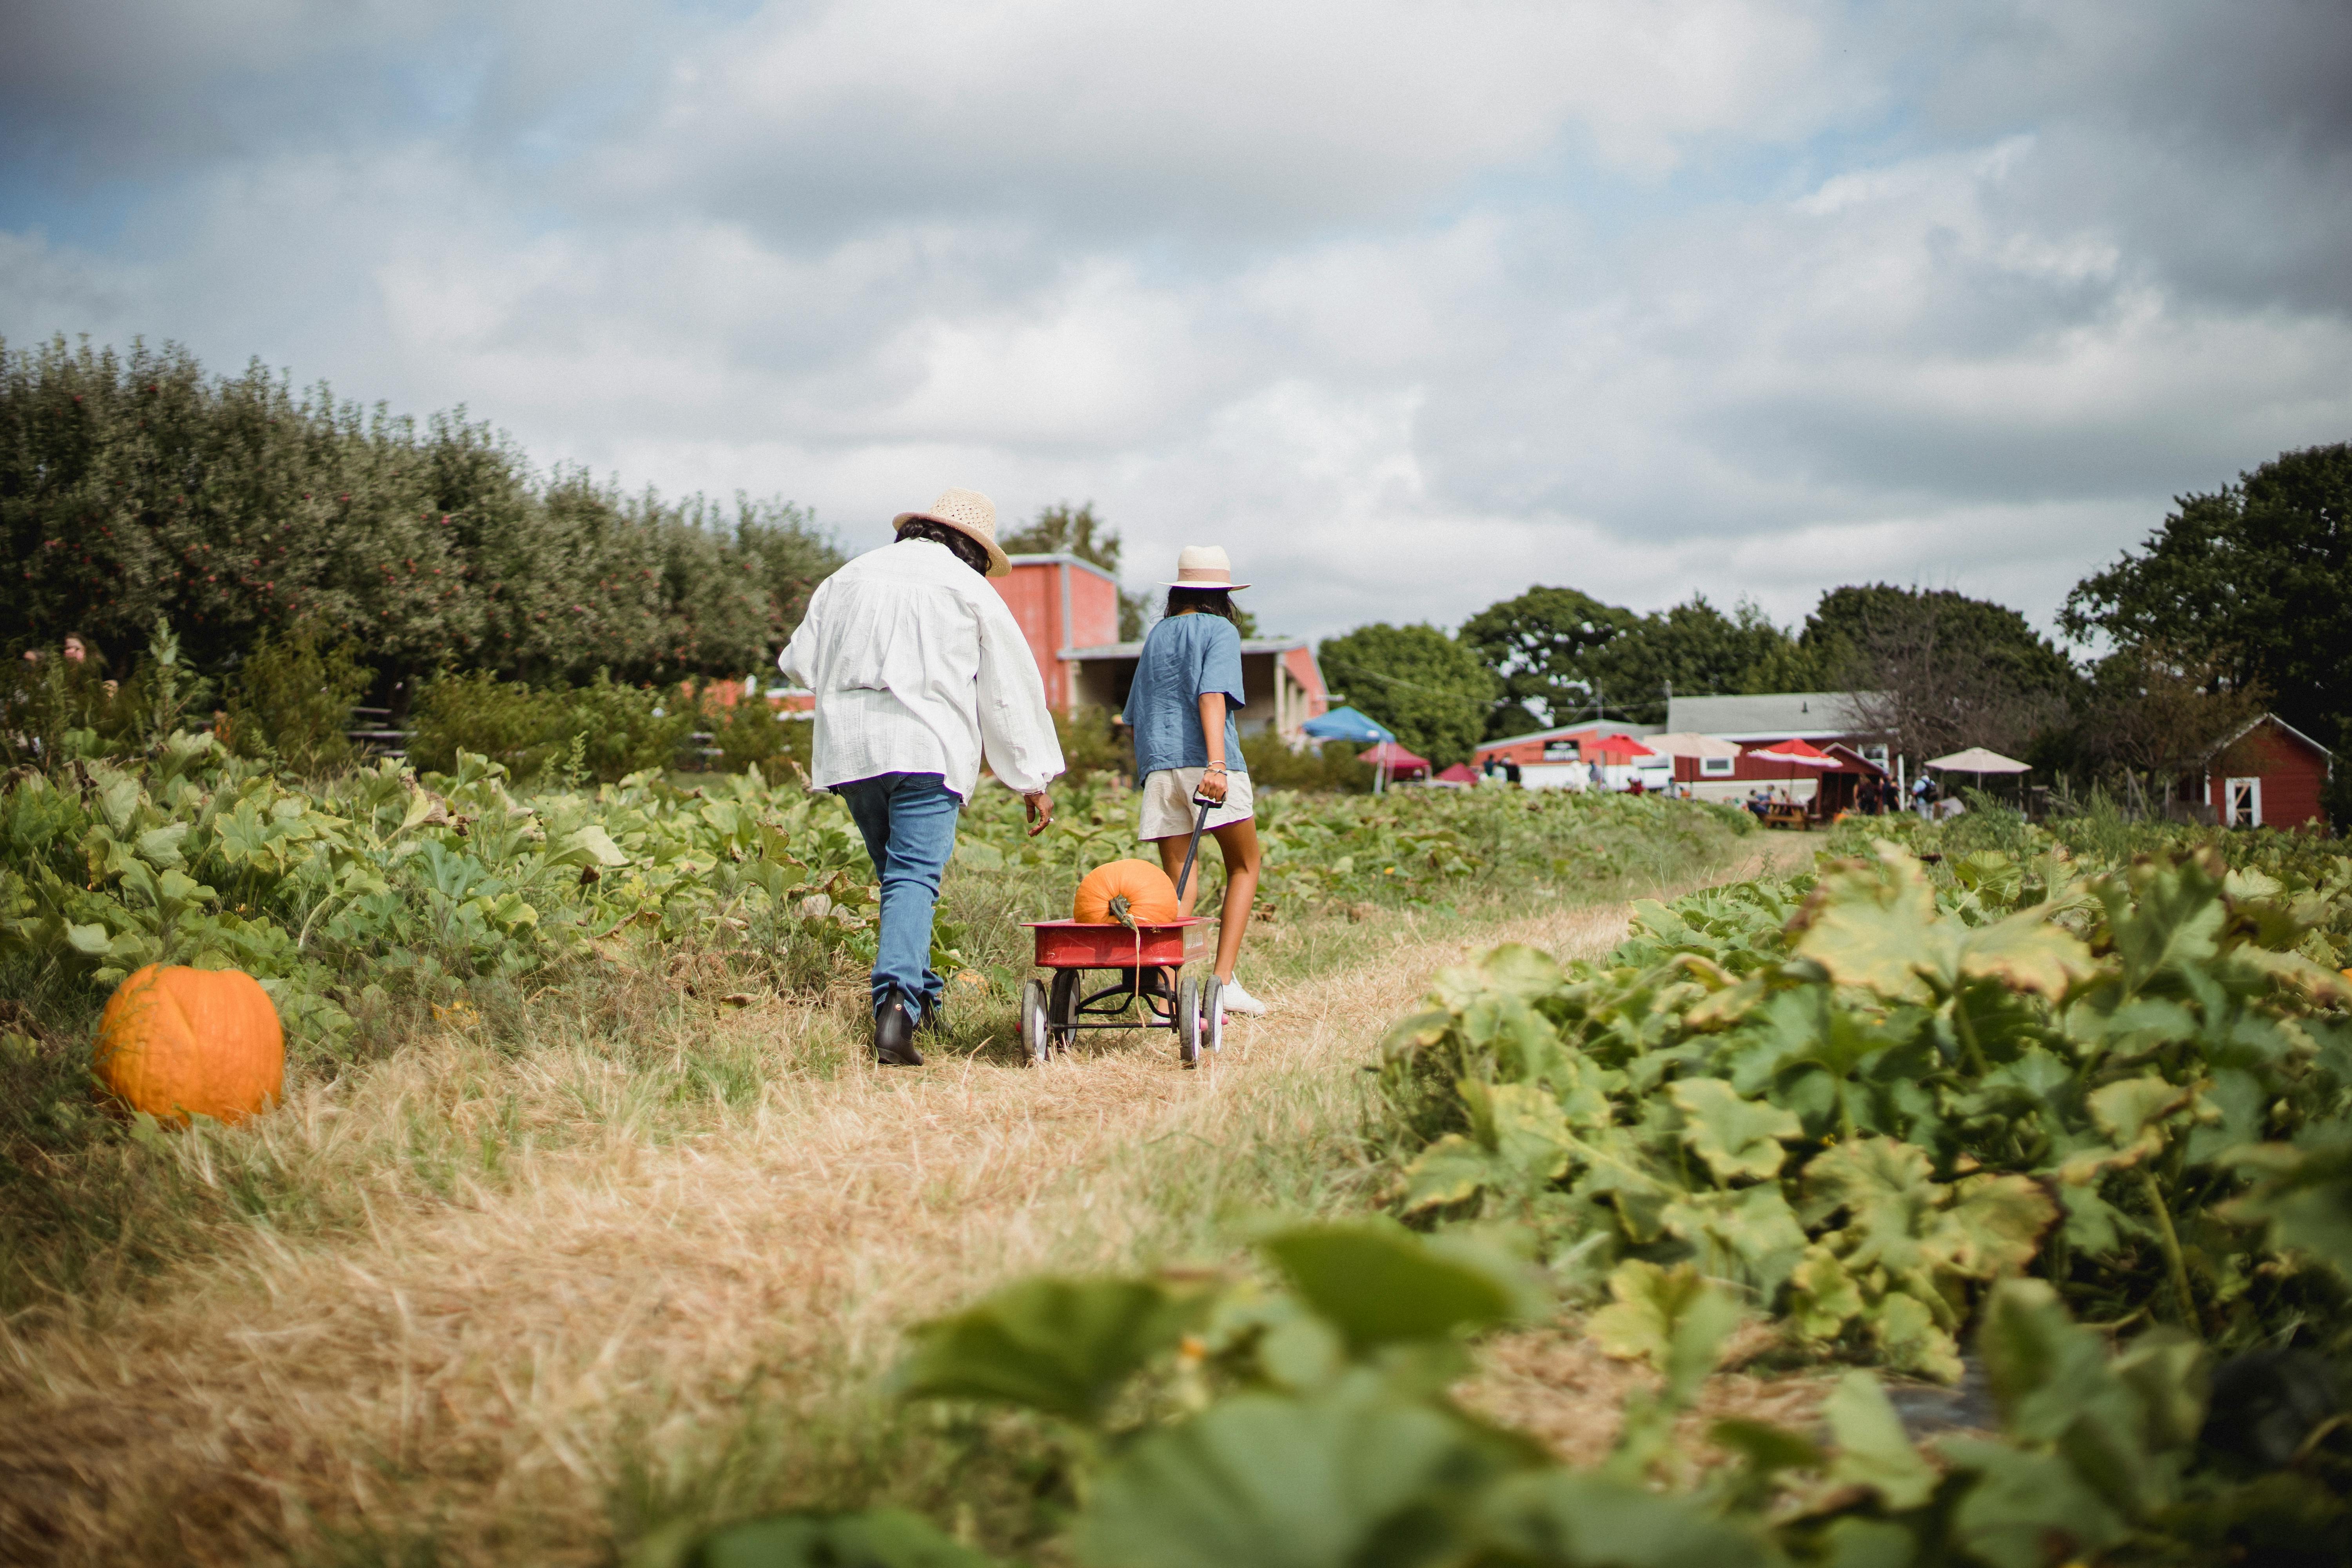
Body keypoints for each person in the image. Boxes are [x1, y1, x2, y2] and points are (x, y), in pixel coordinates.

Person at [780, 488, 1064, 1066]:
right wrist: (1031, 778)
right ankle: (896, 1012)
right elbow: (1007, 693)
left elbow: (798, 663)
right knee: (914, 879)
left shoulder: (848, 576)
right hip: (926, 748)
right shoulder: (968, 590)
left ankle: (925, 1000)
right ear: (974, 549)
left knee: (899, 880)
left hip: (853, 751)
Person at [1121, 545, 1269, 1018]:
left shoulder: (1158, 635)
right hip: (1207, 763)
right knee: (1245, 864)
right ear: (1223, 595)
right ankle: (1222, 982)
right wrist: (1218, 765)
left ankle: (1169, 991)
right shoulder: (1220, 630)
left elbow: (1135, 713)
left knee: (1177, 881)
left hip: (1158, 767)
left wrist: (1155, 767)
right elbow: (1212, 696)